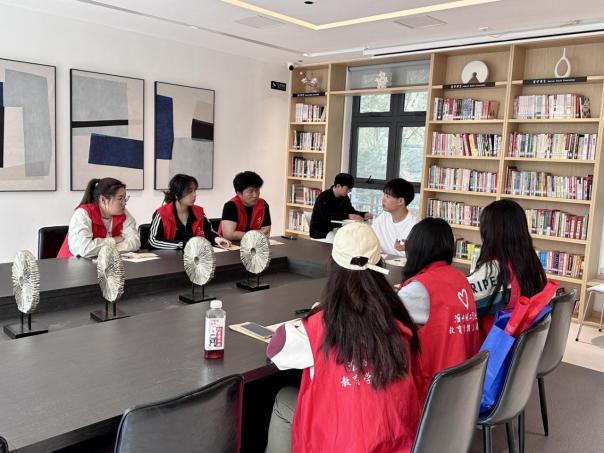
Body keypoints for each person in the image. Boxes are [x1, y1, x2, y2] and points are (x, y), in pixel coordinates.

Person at [265, 223, 423, 453]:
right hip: (397, 442)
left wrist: (317, 312)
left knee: (284, 398)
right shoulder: (398, 318)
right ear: (379, 264)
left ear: (333, 266)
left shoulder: (321, 325)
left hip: (338, 443)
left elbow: (276, 348)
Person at [398, 217, 480, 386]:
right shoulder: (460, 277)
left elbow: (384, 318)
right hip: (465, 381)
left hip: (432, 385)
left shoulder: (419, 288)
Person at [467, 199, 547, 334]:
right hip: (516, 339)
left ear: (492, 233)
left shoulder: (495, 269)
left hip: (492, 341)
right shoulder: (531, 263)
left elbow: (459, 300)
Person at [57, 177, 140, 258]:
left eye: (125, 198)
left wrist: (104, 248)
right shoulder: (83, 213)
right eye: (120, 199)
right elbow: (84, 249)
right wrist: (114, 240)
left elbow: (135, 243)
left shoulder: (123, 213)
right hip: (71, 264)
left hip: (104, 263)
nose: (124, 203)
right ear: (103, 200)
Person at [149, 174, 231, 250]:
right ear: (177, 195)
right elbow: (153, 241)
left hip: (196, 257)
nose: (194, 195)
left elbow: (209, 232)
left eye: (195, 190)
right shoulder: (162, 214)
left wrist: (217, 239)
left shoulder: (199, 212)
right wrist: (183, 244)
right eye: (189, 191)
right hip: (170, 259)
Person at [309, 173, 372, 240]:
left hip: (335, 229)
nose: (349, 191)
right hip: (320, 231)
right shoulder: (324, 197)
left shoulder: (345, 198)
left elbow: (351, 211)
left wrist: (363, 214)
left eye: (350, 188)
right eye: (347, 188)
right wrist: (348, 216)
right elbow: (327, 216)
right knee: (343, 241)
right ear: (338, 186)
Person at [371, 178, 418, 256]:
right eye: (384, 195)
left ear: (400, 201)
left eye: (387, 196)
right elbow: (370, 235)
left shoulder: (416, 226)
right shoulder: (384, 216)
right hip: (382, 260)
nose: (383, 199)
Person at [219, 171, 271, 241]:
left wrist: (239, 234)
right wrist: (257, 233)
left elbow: (266, 233)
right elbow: (229, 235)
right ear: (239, 193)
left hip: (255, 244)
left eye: (257, 190)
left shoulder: (263, 205)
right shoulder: (231, 206)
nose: (255, 195)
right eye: (250, 191)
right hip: (232, 245)